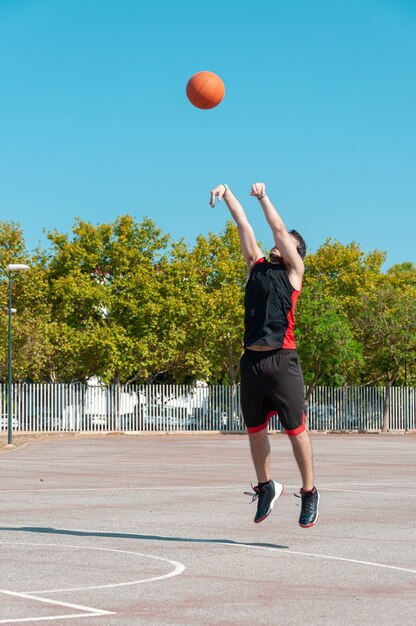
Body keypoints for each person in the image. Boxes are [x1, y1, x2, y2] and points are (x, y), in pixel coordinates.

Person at [210, 181, 319, 528]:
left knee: (295, 430)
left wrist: (264, 197)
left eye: (288, 242)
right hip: (252, 362)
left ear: (296, 252)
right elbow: (244, 225)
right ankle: (266, 486)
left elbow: (276, 227)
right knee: (255, 431)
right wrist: (227, 193)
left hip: (282, 359)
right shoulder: (255, 266)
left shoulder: (294, 273)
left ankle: (309, 491)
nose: (278, 242)